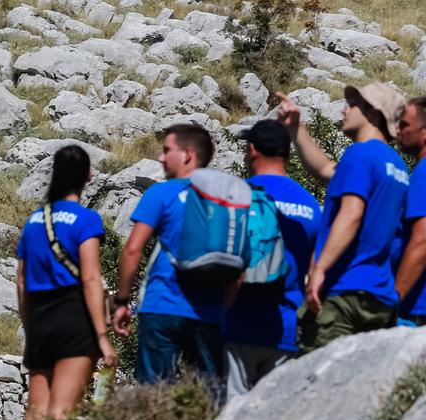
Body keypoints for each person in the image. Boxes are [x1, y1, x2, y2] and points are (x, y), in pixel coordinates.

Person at [277, 82, 410, 347]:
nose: (344, 109)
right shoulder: (396, 166)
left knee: (318, 380)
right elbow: (327, 169)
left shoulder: (359, 155)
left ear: (374, 114)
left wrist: (319, 269)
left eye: (353, 104)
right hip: (379, 296)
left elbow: (351, 214)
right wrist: (296, 129)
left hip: (343, 290)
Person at [111, 123, 234, 396]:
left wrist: (121, 301)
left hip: (162, 306)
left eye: (167, 151)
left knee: (151, 395)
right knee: (208, 396)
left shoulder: (162, 193)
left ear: (188, 154)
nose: (161, 157)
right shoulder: (228, 199)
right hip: (209, 313)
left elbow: (133, 249)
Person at [14, 144, 116, 420]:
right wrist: (101, 336)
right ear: (89, 176)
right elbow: (90, 278)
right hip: (73, 318)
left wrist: (31, 327)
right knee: (61, 415)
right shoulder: (86, 220)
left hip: (40, 321)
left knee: (35, 417)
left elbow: (21, 280)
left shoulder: (34, 220)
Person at [222, 120, 320, 398]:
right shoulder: (309, 205)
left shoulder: (235, 196)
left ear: (252, 150)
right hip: (287, 328)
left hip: (238, 324)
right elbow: (316, 269)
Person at [392, 97, 426, 325]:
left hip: (418, 307)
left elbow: (422, 242)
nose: (398, 130)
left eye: (404, 124)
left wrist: (390, 304)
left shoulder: (424, 173)